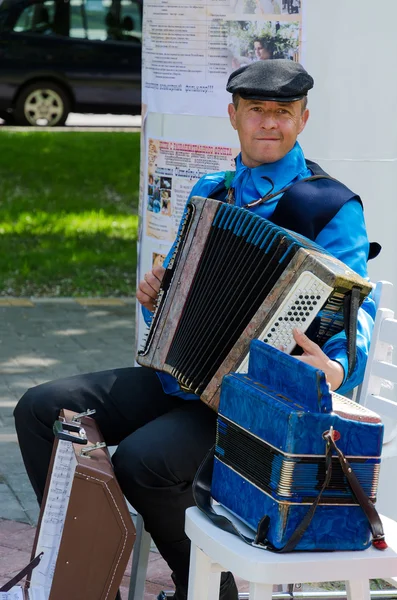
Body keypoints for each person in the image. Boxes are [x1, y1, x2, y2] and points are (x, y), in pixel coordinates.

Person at [14, 60, 375, 600]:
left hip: (255, 403)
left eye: (282, 112)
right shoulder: (212, 189)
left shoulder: (329, 207)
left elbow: (355, 311)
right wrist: (155, 298)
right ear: (234, 116)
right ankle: (83, 581)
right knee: (42, 409)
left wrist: (336, 366)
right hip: (179, 380)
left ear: (303, 119)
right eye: (256, 110)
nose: (269, 123)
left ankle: (211, 591)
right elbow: (182, 303)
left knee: (142, 461)